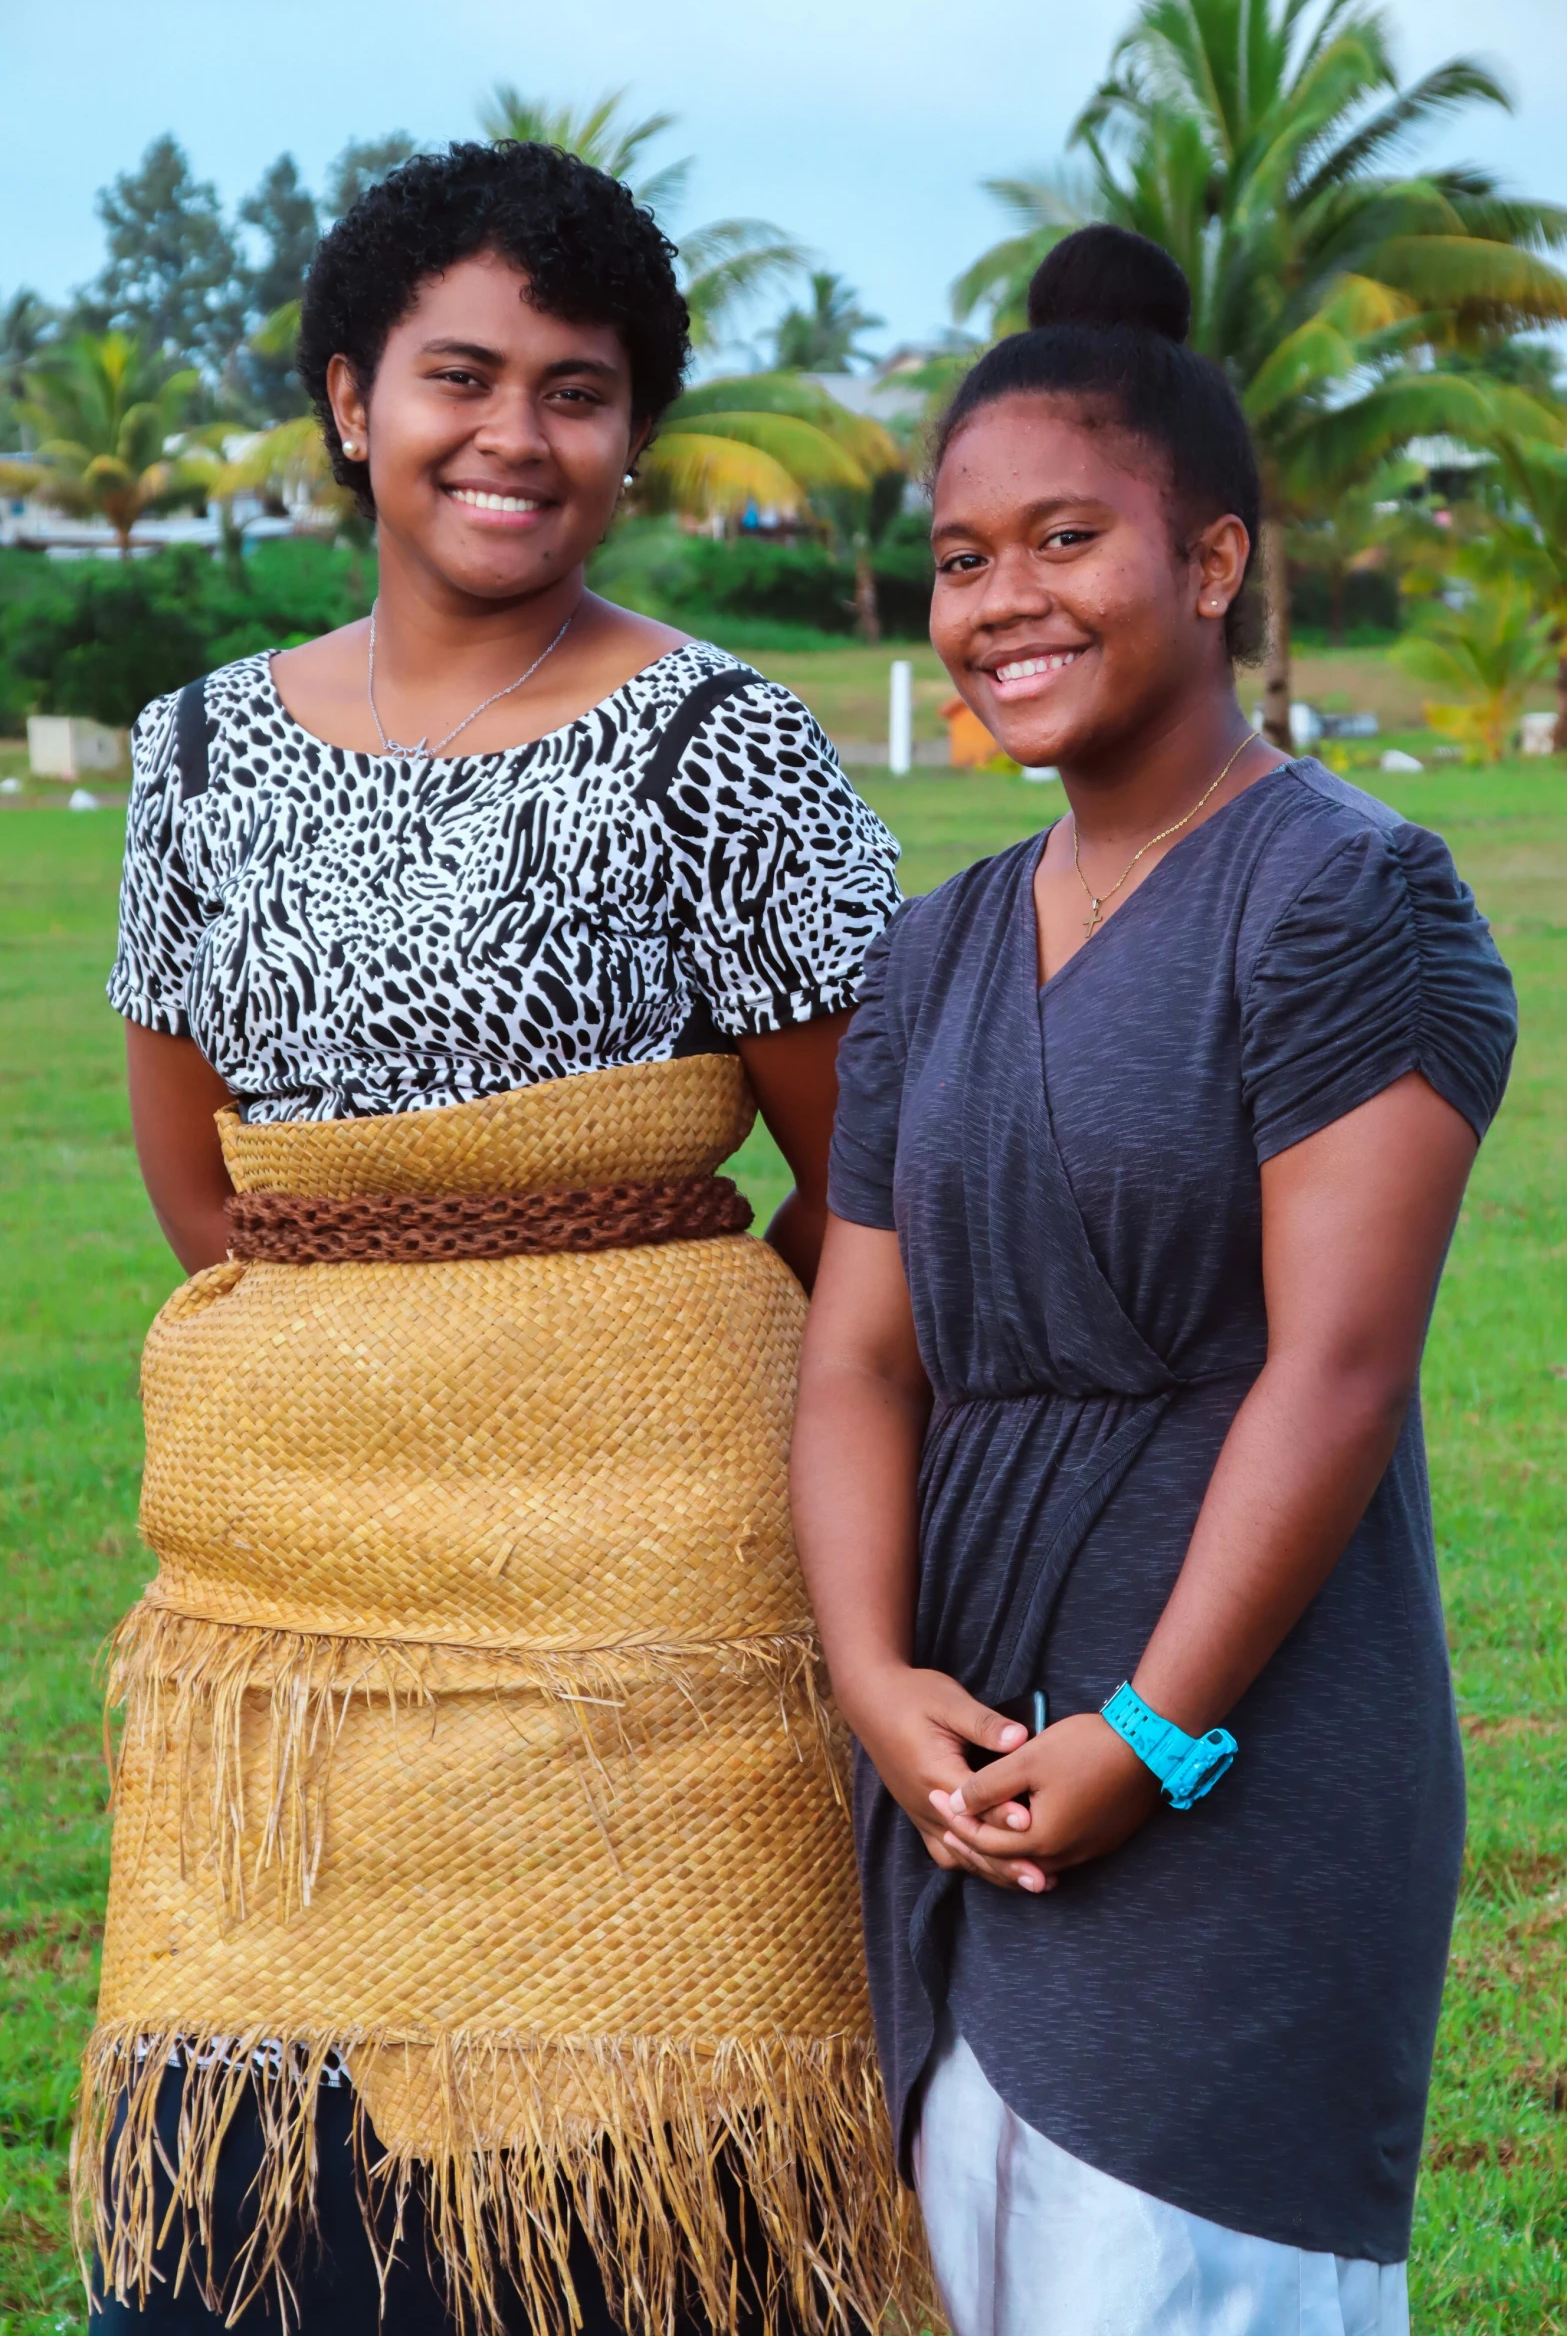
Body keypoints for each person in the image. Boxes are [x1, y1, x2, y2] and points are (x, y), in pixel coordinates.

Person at [85, 140, 912, 2336]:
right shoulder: (191, 758)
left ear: (633, 432)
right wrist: (389, 1374)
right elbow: (207, 1181)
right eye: (464, 375)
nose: (514, 437)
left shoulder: (725, 745)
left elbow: (875, 1188)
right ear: (355, 396)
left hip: (649, 1646)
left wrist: (592, 1403)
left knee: (644, 2214)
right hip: (296, 1628)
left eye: (579, 387)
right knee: (256, 2209)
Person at [790, 226, 1517, 2336]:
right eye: (958, 555)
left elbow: (1336, 1372)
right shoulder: (937, 941)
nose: (1001, 597)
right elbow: (857, 1353)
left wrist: (1156, 1734)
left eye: (1065, 536)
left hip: (1234, 1750)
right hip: (956, 1748)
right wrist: (864, 1667)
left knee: (1167, 2280)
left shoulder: (1346, 896)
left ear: (1211, 563)